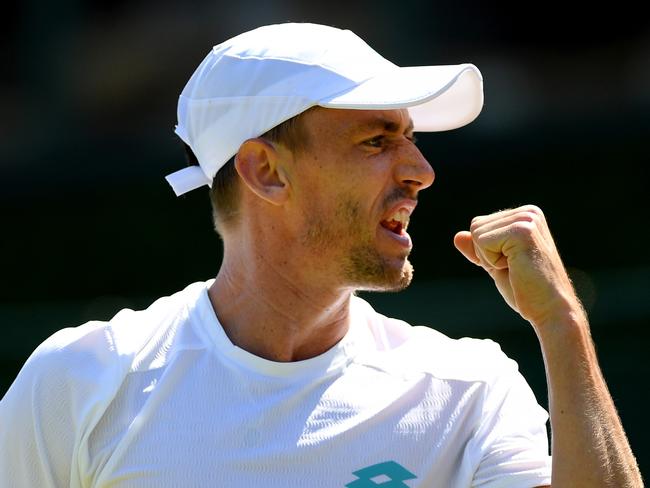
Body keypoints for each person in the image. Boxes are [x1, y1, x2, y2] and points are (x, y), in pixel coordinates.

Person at [0, 22, 642, 488]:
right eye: (376, 140)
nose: (420, 170)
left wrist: (563, 325)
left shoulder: (469, 389)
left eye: (410, 139)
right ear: (265, 172)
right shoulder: (80, 383)